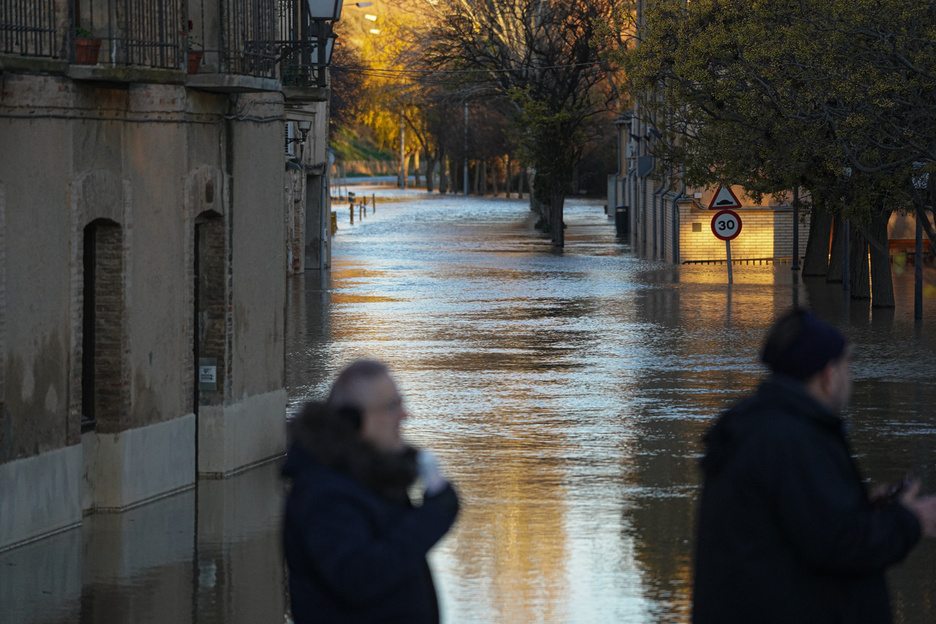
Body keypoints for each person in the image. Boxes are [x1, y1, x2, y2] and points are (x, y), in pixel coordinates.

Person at [693, 307, 936, 624]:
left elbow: (804, 525)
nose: (851, 376)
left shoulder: (756, 424)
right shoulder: (794, 439)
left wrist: (865, 511)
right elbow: (842, 546)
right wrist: (913, 520)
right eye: (848, 365)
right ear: (828, 376)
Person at [282, 359, 459, 624]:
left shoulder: (368, 478)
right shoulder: (324, 493)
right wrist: (433, 516)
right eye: (392, 406)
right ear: (353, 419)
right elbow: (357, 578)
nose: (405, 415)